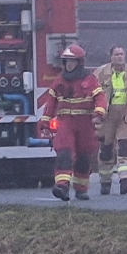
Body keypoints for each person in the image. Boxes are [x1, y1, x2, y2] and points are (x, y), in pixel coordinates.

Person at [38, 44, 105, 202]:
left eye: (72, 62)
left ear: (79, 63)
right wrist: (45, 124)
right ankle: (62, 186)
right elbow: (50, 104)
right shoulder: (59, 81)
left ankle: (81, 189)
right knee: (64, 153)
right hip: (65, 123)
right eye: (67, 62)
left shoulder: (90, 80)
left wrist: (99, 114)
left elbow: (100, 98)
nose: (69, 65)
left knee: (84, 157)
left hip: (85, 125)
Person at [92, 46, 127, 195]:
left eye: (122, 54)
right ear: (111, 56)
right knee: (106, 150)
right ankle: (105, 182)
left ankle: (125, 180)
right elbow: (91, 92)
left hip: (126, 115)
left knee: (125, 146)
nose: (119, 57)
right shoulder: (100, 73)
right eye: (116, 54)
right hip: (107, 116)